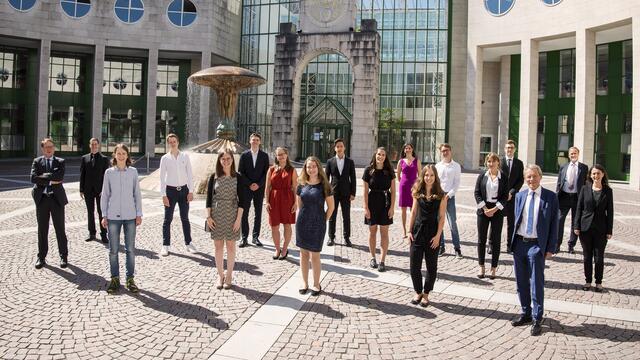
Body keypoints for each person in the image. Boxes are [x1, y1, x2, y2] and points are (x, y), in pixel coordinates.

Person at [511, 164, 559, 336]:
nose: (531, 179)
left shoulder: (550, 197)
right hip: (519, 244)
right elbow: (516, 220)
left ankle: (537, 318)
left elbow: (555, 224)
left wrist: (551, 248)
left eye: (534, 176)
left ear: (540, 177)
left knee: (536, 283)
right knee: (521, 282)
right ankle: (526, 313)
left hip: (537, 245)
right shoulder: (520, 195)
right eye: (528, 177)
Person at [101, 144, 143, 294]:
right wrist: (104, 215)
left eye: (123, 153)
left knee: (130, 250)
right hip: (112, 217)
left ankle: (130, 279)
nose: (121, 156)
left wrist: (139, 214)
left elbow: (137, 194)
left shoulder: (133, 172)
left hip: (130, 216)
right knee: (113, 250)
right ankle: (114, 279)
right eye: (118, 153)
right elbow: (105, 195)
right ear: (114, 155)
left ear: (127, 155)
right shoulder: (108, 173)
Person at [408, 164, 447, 307]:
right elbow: (413, 213)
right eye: (426, 175)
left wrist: (438, 236)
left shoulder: (441, 196)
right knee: (414, 266)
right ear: (422, 176)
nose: (428, 178)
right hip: (418, 232)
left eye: (431, 175)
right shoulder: (417, 192)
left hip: (432, 234)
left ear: (435, 177)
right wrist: (408, 231)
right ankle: (418, 291)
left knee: (431, 267)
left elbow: (442, 217)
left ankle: (426, 293)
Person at [296, 156, 334, 296]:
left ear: (318, 167)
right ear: (305, 169)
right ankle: (304, 282)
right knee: (303, 254)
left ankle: (316, 283)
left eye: (313, 166)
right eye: (308, 167)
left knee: (315, 255)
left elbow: (331, 207)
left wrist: (323, 220)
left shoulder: (325, 185)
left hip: (318, 223)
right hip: (302, 222)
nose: (311, 169)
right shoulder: (301, 184)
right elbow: (300, 205)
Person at [206, 149, 244, 290]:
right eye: (223, 159)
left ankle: (229, 275)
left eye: (228, 158)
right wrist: (208, 216)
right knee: (218, 246)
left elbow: (243, 201)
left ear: (232, 160)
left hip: (232, 214)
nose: (226, 161)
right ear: (219, 160)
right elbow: (209, 199)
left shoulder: (238, 177)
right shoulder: (213, 177)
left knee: (231, 246)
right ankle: (220, 275)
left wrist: (238, 219)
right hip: (216, 214)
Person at [574, 164, 614, 293]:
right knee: (587, 257)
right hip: (585, 228)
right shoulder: (585, 188)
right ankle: (587, 281)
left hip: (601, 230)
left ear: (603, 174)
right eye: (593, 173)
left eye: (598, 173)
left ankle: (598, 282)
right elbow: (579, 208)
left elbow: (610, 212)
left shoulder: (608, 190)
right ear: (590, 175)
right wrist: (576, 226)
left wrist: (609, 230)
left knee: (599, 257)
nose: (596, 176)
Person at [30, 138, 69, 269]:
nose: (49, 149)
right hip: (42, 200)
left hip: (56, 199)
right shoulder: (37, 161)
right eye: (46, 147)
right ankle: (41, 257)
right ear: (42, 148)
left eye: (51, 146)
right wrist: (51, 179)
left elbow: (60, 177)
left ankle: (63, 256)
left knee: (60, 228)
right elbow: (33, 178)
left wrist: (44, 178)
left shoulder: (60, 162)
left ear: (54, 148)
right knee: (42, 229)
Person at [159, 133, 196, 256]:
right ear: (168, 143)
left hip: (184, 191)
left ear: (178, 142)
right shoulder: (165, 158)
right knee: (167, 219)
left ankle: (188, 243)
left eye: (174, 141)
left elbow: (190, 174)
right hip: (170, 192)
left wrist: (191, 191)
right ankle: (165, 245)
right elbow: (162, 178)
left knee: (185, 218)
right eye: (170, 142)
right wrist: (163, 195)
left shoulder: (185, 156)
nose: (172, 143)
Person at [474, 153, 509, 279]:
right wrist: (484, 208)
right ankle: (481, 266)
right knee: (481, 239)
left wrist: (494, 209)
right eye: (489, 161)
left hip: (497, 210)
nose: (491, 164)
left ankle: (493, 268)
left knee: (496, 239)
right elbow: (477, 192)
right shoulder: (482, 175)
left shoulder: (503, 177)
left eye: (493, 161)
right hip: (483, 210)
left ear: (498, 163)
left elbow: (505, 196)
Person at [363, 147, 396, 272]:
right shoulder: (368, 170)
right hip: (372, 202)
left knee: (384, 233)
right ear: (375, 155)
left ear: (385, 157)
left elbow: (393, 191)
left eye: (383, 154)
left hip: (385, 203)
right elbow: (365, 191)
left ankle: (382, 261)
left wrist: (392, 207)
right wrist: (365, 208)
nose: (380, 156)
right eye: (378, 154)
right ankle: (372, 257)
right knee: (372, 232)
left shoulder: (389, 171)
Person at [265, 147, 297, 260]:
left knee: (287, 225)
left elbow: (295, 187)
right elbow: (267, 187)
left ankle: (284, 248)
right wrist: (266, 202)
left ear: (287, 155)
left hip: (288, 200)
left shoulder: (292, 170)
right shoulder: (271, 169)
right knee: (274, 226)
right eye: (279, 155)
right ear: (276, 157)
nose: (281, 156)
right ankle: (277, 249)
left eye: (283, 154)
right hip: (274, 199)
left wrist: (295, 203)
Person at [238, 133, 270, 248]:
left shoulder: (264, 156)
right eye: (253, 140)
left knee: (258, 213)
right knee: (244, 213)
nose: (255, 141)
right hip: (246, 188)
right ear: (249, 141)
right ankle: (244, 237)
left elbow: (266, 172)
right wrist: (250, 184)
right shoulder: (244, 155)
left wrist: (259, 184)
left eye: (257, 140)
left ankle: (256, 237)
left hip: (259, 188)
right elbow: (241, 172)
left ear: (260, 142)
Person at [555, 146, 588, 253]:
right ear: (568, 155)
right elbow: (559, 182)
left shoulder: (584, 167)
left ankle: (571, 245)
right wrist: (556, 194)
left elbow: (585, 183)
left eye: (575, 153)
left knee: (575, 222)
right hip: (563, 196)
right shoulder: (563, 166)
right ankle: (557, 245)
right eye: (571, 154)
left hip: (577, 198)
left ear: (578, 154)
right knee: (559, 220)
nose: (573, 155)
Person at [325, 138, 356, 247]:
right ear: (335, 148)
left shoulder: (350, 162)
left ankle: (347, 238)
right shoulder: (330, 161)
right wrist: (326, 193)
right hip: (333, 193)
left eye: (341, 146)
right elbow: (326, 178)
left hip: (346, 193)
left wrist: (353, 193)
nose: (339, 148)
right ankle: (331, 237)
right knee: (332, 215)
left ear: (344, 148)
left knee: (346, 216)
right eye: (337, 146)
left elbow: (353, 178)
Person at [79, 137, 110, 243]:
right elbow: (82, 174)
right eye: (92, 144)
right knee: (90, 212)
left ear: (98, 145)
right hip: (88, 190)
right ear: (89, 145)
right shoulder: (84, 158)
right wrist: (81, 189)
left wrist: (105, 190)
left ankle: (104, 234)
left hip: (100, 190)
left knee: (101, 212)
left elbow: (106, 177)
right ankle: (92, 233)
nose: (94, 146)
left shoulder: (104, 159)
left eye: (95, 144)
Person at [435, 143, 462, 258]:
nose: (445, 152)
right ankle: (441, 247)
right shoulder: (437, 166)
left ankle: (457, 248)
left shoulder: (456, 166)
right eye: (443, 151)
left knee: (452, 224)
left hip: (449, 197)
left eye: (446, 150)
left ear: (450, 151)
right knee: (438, 223)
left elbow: (456, 183)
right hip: (439, 197)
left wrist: (449, 195)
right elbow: (435, 182)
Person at [499, 140, 524, 254]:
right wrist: (504, 193)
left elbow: (520, 180)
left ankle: (510, 246)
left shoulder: (519, 163)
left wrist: (512, 192)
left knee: (511, 223)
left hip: (513, 198)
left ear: (515, 149)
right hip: (500, 196)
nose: (509, 149)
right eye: (508, 147)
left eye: (512, 147)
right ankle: (491, 244)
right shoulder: (499, 161)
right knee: (496, 221)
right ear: (505, 149)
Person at [396, 143, 421, 239]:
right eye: (406, 148)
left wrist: (417, 186)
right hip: (403, 187)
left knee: (413, 209)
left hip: (414, 188)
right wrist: (402, 182)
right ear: (404, 150)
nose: (408, 149)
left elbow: (420, 175)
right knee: (403, 210)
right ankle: (404, 231)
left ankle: (412, 229)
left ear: (412, 149)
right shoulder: (401, 161)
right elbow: (398, 175)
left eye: (409, 148)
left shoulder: (417, 161)